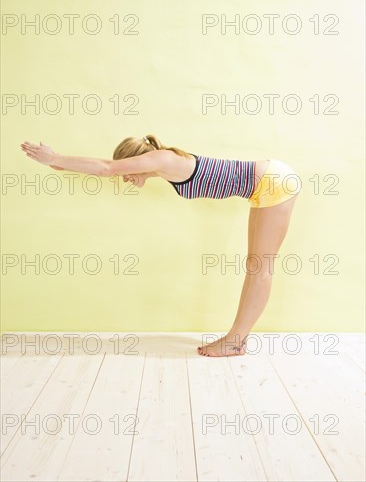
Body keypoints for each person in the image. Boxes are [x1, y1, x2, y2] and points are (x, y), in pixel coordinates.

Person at [20, 134, 301, 358]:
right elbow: (103, 167)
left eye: (127, 171)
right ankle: (235, 340)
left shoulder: (163, 159)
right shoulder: (164, 166)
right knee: (254, 266)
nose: (126, 178)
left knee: (260, 268)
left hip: (273, 181)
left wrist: (56, 158)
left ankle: (235, 342)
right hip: (263, 185)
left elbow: (106, 167)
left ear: (136, 161)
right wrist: (56, 163)